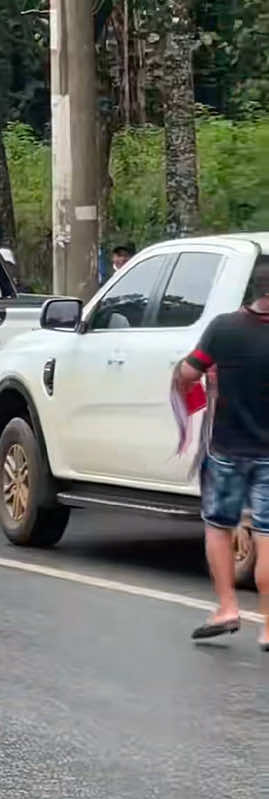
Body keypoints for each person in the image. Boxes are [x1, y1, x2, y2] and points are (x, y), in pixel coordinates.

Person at [174, 255, 269, 647]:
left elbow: (188, 374)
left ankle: (228, 607)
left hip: (226, 448)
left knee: (218, 527)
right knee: (267, 534)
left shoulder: (223, 328)